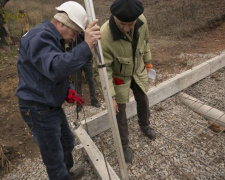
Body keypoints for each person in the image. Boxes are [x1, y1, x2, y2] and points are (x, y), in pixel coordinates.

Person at [16, 1, 101, 179]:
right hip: (38, 108)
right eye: (75, 33)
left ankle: (67, 174)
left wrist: (67, 90)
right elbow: (55, 68)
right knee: (54, 159)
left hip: (49, 102)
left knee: (67, 141)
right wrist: (85, 46)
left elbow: (48, 70)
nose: (73, 38)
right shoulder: (40, 37)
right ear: (62, 23)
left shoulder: (50, 37)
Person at [100, 0, 156, 163]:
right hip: (119, 77)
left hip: (137, 70)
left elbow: (145, 43)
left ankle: (145, 125)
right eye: (122, 24)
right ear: (114, 17)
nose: (126, 28)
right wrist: (110, 96)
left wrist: (148, 62)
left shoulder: (142, 22)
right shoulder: (104, 36)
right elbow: (104, 70)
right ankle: (124, 145)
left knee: (143, 98)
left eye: (130, 24)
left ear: (136, 19)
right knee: (119, 111)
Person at [69, 32, 100, 112]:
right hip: (75, 60)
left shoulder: (84, 30)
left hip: (87, 59)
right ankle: (79, 103)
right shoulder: (71, 31)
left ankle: (93, 100)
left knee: (90, 80)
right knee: (77, 81)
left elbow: (88, 40)